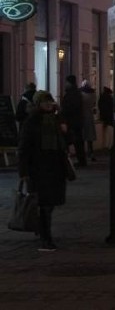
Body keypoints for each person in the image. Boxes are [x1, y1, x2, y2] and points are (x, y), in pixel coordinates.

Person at [17, 91, 68, 252]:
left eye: (50, 101)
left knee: (50, 204)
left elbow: (67, 142)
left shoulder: (56, 119)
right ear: (38, 104)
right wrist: (23, 171)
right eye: (45, 102)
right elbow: (24, 148)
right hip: (38, 168)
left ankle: (43, 230)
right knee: (44, 204)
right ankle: (46, 239)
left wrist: (65, 129)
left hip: (56, 168)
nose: (48, 104)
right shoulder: (32, 121)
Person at [60, 75, 85, 168]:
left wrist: (63, 112)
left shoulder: (72, 94)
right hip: (75, 121)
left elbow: (70, 108)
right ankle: (79, 160)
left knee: (75, 142)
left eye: (66, 82)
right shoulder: (76, 93)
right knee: (77, 142)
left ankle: (78, 161)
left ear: (69, 83)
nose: (65, 84)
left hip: (72, 122)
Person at [80, 80, 98, 163]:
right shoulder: (93, 94)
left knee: (82, 136)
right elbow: (94, 105)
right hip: (90, 116)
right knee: (89, 137)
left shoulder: (81, 94)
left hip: (82, 116)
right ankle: (91, 153)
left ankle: (83, 153)